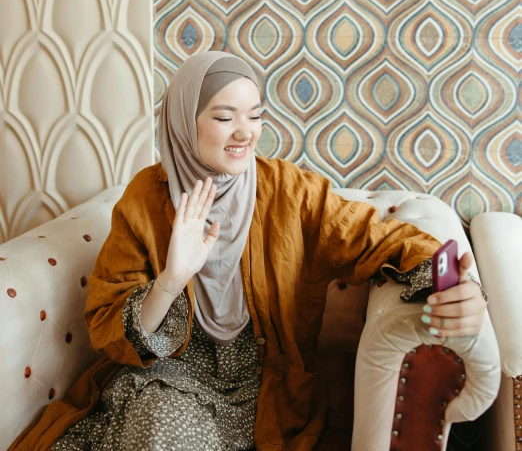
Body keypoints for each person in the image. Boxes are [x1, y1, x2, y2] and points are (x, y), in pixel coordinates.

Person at [10, 52, 487, 451]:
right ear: (182, 122)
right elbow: (108, 332)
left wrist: (453, 285)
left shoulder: (289, 190)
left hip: (263, 389)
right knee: (158, 427)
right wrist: (173, 278)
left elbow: (379, 237)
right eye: (224, 117)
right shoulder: (144, 199)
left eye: (255, 115)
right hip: (167, 378)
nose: (245, 132)